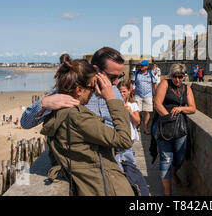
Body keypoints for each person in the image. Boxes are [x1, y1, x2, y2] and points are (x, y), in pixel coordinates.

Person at [20, 47, 130, 170]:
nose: (115, 82)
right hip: (89, 169)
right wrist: (43, 103)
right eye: (112, 77)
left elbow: (123, 133)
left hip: (117, 163)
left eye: (120, 76)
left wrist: (130, 164)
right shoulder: (71, 93)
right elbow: (25, 123)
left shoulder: (115, 91)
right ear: (96, 70)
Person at [40, 58, 134, 196]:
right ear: (79, 90)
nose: (93, 92)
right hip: (105, 187)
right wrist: (111, 100)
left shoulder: (55, 112)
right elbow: (124, 140)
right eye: (91, 87)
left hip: (87, 186)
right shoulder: (78, 117)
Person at [151, 63, 196, 196]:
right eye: (175, 76)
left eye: (180, 76)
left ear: (184, 77)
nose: (177, 79)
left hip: (180, 127)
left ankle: (173, 172)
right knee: (166, 159)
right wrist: (167, 118)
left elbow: (193, 108)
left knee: (180, 157)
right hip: (164, 126)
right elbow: (157, 103)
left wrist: (181, 108)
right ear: (171, 76)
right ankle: (167, 194)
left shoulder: (187, 89)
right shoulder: (165, 83)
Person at [115, 80, 141, 168]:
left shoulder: (133, 104)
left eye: (124, 91)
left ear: (129, 91)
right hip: (117, 135)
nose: (122, 94)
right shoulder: (115, 104)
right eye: (119, 92)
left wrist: (130, 111)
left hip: (129, 136)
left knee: (129, 159)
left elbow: (137, 121)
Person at [130, 60, 157, 135]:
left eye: (142, 66)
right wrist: (131, 90)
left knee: (147, 112)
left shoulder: (151, 74)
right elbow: (131, 82)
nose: (140, 67)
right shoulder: (137, 73)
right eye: (140, 65)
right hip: (138, 95)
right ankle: (137, 125)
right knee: (137, 111)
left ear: (146, 67)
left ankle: (145, 128)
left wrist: (156, 94)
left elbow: (154, 84)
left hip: (148, 96)